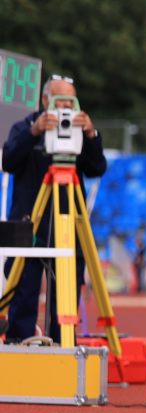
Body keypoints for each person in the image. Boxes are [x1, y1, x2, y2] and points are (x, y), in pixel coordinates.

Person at [1, 75, 105, 344]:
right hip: (29, 224)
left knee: (67, 297)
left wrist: (91, 135)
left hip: (68, 223)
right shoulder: (25, 126)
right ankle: (18, 347)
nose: (66, 108)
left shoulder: (81, 131)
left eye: (71, 102)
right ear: (46, 100)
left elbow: (97, 168)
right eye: (61, 101)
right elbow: (9, 161)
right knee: (22, 293)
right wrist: (33, 132)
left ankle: (64, 349)